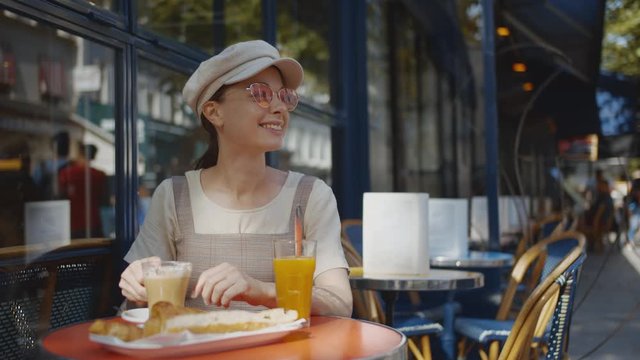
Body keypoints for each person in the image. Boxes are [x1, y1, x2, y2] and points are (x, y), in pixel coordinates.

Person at [119, 40, 352, 317]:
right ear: (214, 112)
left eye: (284, 96)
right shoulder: (173, 197)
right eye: (261, 94)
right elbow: (139, 309)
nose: (280, 108)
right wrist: (137, 289)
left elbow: (339, 303)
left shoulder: (311, 195)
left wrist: (260, 291)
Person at [58, 143, 108, 238]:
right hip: (93, 222)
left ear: (80, 154)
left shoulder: (66, 173)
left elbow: (59, 197)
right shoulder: (100, 175)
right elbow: (104, 201)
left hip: (72, 224)